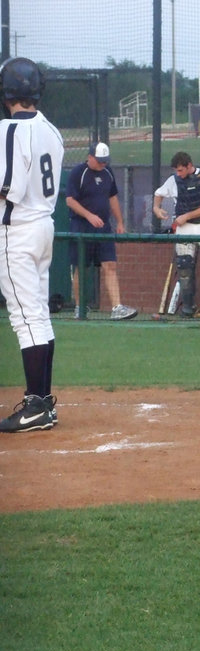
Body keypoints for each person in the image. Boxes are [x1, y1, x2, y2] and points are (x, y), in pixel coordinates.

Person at [0, 58, 65, 433]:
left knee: (26, 319)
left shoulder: (10, 129)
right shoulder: (50, 129)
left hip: (18, 230)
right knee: (38, 315)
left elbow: (8, 189)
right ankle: (41, 403)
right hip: (43, 226)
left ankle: (37, 405)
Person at [64, 142, 138, 320]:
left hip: (104, 227)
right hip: (81, 227)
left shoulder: (107, 172)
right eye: (99, 161)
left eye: (105, 161)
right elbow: (70, 201)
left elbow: (112, 197)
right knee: (81, 267)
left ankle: (117, 308)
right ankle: (80, 307)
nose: (103, 164)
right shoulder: (78, 173)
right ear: (90, 157)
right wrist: (89, 216)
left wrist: (120, 222)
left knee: (110, 265)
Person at [152, 151, 200, 317]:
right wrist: (156, 208)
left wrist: (187, 216)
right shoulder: (173, 180)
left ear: (189, 166)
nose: (178, 174)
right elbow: (158, 194)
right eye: (176, 171)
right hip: (184, 230)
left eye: (181, 170)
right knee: (184, 271)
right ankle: (187, 309)